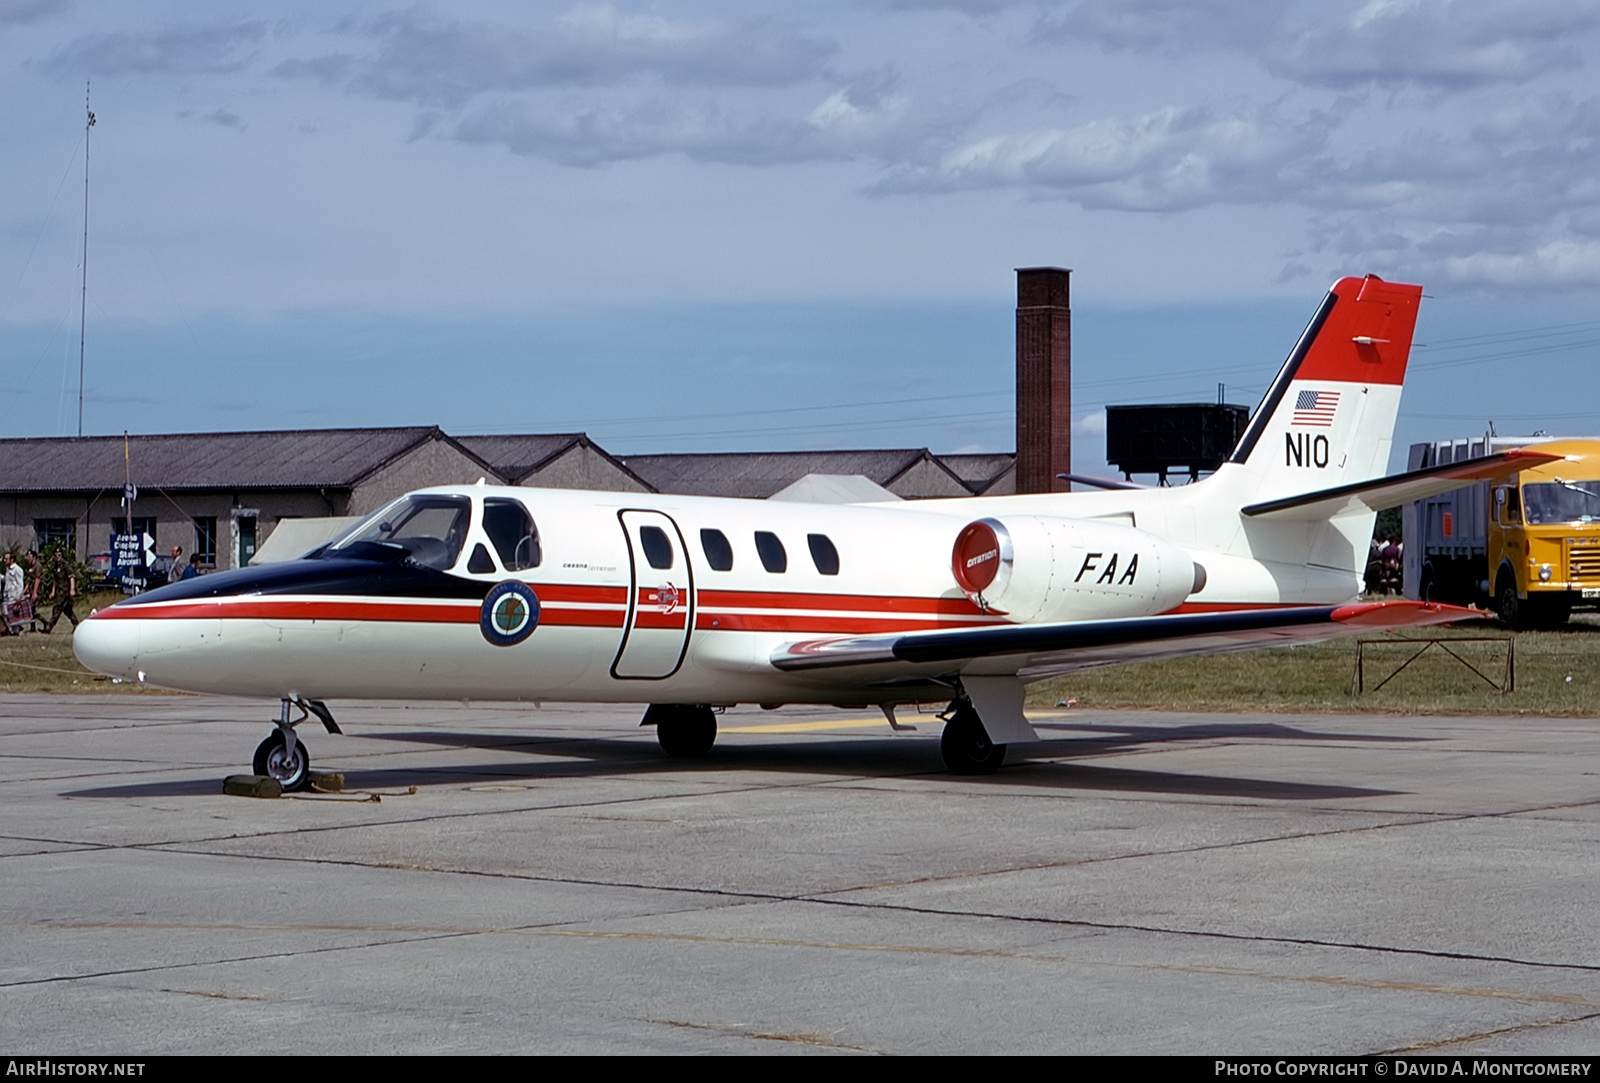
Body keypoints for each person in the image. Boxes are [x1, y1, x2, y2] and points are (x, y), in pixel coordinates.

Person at [39, 549, 79, 634]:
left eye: (59, 555)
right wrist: (53, 592)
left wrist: (72, 589)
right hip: (59, 591)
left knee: (57, 608)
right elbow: (56, 581)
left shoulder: (65, 565)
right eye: (56, 555)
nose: (57, 557)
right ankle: (76, 625)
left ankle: (49, 627)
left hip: (65, 591)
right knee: (67, 610)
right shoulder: (55, 566)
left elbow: (71, 577)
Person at [1, 552, 23, 635]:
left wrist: (18, 596)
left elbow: (20, 584)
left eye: (6, 559)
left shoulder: (17, 570)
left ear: (12, 559)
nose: (4, 560)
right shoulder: (7, 569)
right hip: (7, 594)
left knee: (13, 613)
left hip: (13, 595)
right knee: (5, 613)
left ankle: (16, 630)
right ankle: (14, 628)